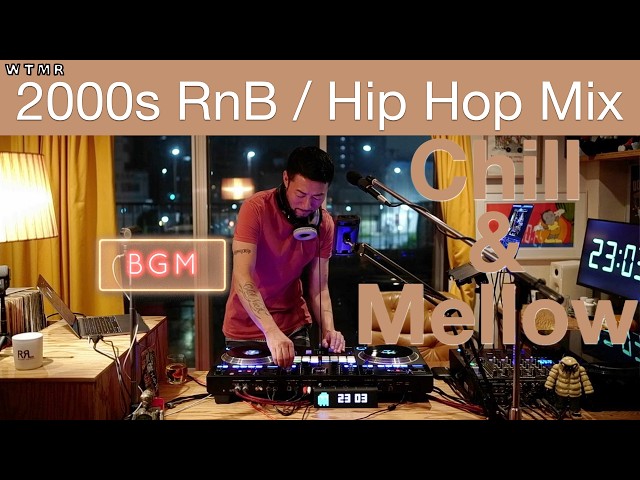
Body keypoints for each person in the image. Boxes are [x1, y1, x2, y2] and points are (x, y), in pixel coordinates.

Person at [222, 146, 345, 368]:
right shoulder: (255, 208)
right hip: (245, 327)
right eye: (301, 195)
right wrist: (271, 331)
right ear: (286, 179)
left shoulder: (324, 224)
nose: (307, 205)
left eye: (318, 197)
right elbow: (243, 277)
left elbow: (319, 287)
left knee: (300, 389)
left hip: (294, 325)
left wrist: (329, 330)